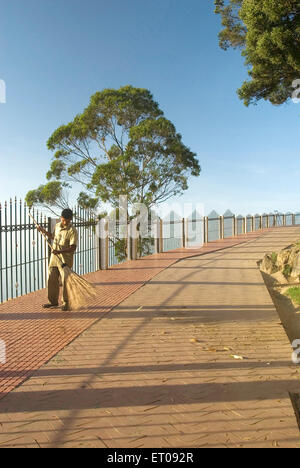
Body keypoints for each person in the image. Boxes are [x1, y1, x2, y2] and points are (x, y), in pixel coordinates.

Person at [38, 209, 78, 311]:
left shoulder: (72, 230)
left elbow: (73, 247)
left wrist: (60, 252)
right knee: (51, 279)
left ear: (70, 220)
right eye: (64, 220)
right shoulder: (57, 226)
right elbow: (53, 236)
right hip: (54, 259)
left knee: (65, 281)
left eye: (68, 221)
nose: (66, 222)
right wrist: (43, 231)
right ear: (61, 218)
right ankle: (53, 302)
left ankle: (66, 303)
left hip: (65, 261)